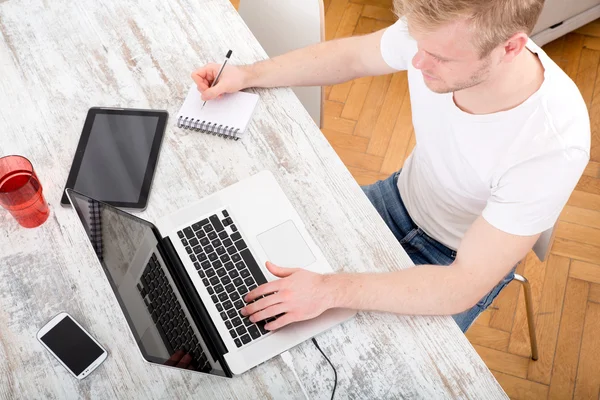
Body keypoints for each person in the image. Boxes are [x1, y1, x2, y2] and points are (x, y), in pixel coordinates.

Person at [191, 0, 590, 333]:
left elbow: (461, 285)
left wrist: (332, 290)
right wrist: (248, 75)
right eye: (417, 43)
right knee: (248, 267)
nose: (416, 62)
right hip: (395, 199)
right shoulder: (440, 32)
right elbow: (351, 57)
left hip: (452, 264)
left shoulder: (553, 145)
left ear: (511, 47)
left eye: (439, 57)